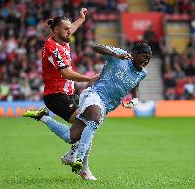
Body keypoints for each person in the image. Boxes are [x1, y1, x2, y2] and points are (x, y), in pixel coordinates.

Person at [24, 43, 152, 180]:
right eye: (144, 56)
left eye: (149, 58)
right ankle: (79, 160)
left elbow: (134, 83)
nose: (146, 61)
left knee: (71, 136)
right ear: (134, 54)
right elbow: (96, 47)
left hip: (107, 106)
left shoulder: (142, 73)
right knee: (94, 119)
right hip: (94, 94)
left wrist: (135, 98)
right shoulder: (121, 56)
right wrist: (115, 54)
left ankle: (43, 117)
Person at [25, 8, 99, 180]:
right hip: (56, 96)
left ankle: (72, 154)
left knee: (84, 126)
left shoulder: (62, 37)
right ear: (56, 30)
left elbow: (71, 28)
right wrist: (88, 79)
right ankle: (81, 167)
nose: (69, 32)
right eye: (66, 29)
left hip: (69, 93)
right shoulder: (53, 48)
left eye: (69, 28)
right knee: (88, 123)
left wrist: (80, 19)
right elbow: (65, 73)